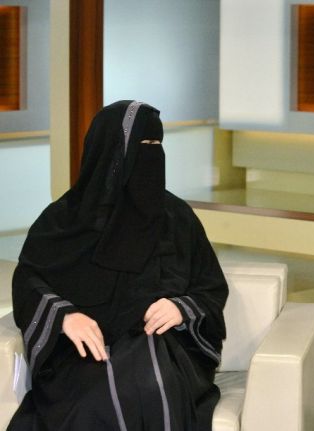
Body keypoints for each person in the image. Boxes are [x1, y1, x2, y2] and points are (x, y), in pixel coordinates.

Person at [9, 100, 229, 430]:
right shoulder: (64, 219)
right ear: (111, 153)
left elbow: (210, 286)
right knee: (93, 401)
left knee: (151, 386)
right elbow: (28, 279)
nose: (153, 155)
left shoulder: (176, 218)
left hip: (160, 345)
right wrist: (64, 317)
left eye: (157, 144)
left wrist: (181, 308)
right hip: (83, 349)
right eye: (143, 145)